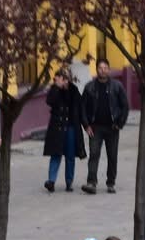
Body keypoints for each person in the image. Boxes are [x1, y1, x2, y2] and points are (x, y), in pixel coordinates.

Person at [79, 60, 130, 195]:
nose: (102, 70)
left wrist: (120, 124)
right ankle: (91, 182)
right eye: (100, 68)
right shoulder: (89, 87)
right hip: (95, 128)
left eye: (105, 68)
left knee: (112, 156)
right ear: (96, 70)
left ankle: (111, 182)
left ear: (109, 70)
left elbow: (125, 106)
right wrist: (86, 125)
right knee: (94, 155)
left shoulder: (117, 86)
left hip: (112, 128)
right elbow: (82, 107)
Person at [41, 66, 82, 192]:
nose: (62, 80)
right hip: (57, 127)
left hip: (70, 126)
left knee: (70, 156)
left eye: (64, 78)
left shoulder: (73, 90)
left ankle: (69, 182)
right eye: (59, 78)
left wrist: (85, 124)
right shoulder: (54, 89)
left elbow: (78, 106)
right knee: (56, 154)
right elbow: (50, 101)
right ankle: (51, 181)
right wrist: (57, 88)